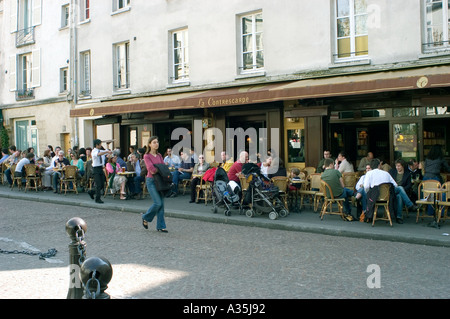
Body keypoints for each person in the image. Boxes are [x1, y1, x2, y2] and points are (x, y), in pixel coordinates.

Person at [142, 136, 168, 233]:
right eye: (154, 142)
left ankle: (161, 226)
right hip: (151, 181)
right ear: (149, 144)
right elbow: (152, 170)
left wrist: (160, 169)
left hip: (160, 181)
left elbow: (163, 167)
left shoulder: (160, 155)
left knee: (161, 205)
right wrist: (160, 169)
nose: (156, 144)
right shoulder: (146, 156)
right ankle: (145, 217)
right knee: (158, 203)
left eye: (157, 142)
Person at [389, 159, 417, 223]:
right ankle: (410, 205)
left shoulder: (407, 174)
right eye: (396, 166)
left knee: (400, 196)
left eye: (399, 166)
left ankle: (399, 217)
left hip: (402, 192)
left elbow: (409, 185)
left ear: (402, 166)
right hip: (393, 190)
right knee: (400, 188)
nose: (397, 167)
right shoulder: (392, 172)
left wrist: (402, 190)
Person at [88, 139, 112, 204]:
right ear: (97, 145)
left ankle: (92, 192)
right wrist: (105, 152)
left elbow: (106, 151)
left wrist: (107, 146)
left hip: (101, 168)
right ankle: (97, 199)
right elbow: (99, 154)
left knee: (102, 184)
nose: (101, 145)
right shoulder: (94, 151)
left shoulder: (100, 150)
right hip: (95, 169)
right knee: (98, 184)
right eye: (100, 144)